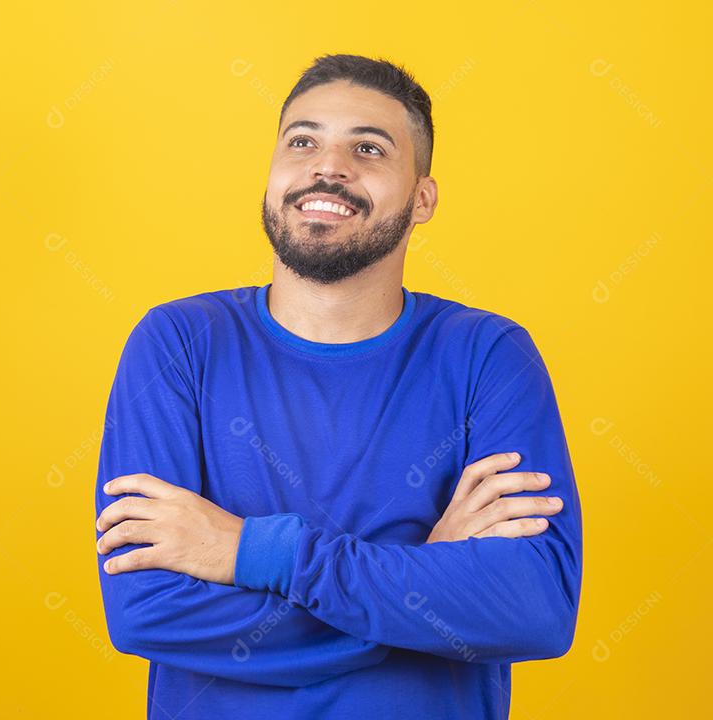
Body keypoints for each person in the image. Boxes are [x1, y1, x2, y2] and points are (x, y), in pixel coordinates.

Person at [94, 53, 582, 719]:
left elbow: (534, 608)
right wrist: (424, 586)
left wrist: (252, 552)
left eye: (369, 148)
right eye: (303, 141)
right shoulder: (179, 343)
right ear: (271, 175)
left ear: (423, 199)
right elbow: (146, 611)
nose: (328, 167)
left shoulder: (487, 356)